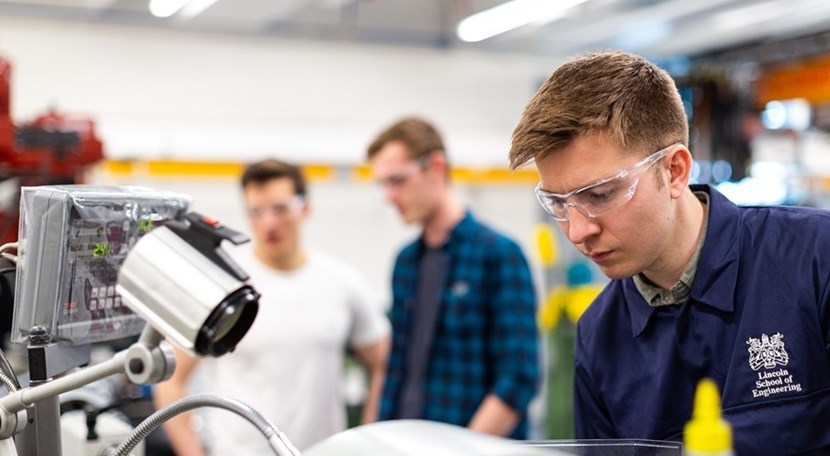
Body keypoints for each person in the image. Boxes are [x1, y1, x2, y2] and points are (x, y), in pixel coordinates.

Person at [508, 50, 830, 455]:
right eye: (557, 203)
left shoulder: (815, 260)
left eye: (600, 194)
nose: (578, 230)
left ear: (674, 170)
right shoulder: (598, 336)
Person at [154, 159, 391, 455]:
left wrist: (365, 441)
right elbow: (170, 380)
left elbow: (385, 364)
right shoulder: (220, 286)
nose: (268, 222)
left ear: (305, 208)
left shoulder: (342, 284)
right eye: (256, 211)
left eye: (280, 209)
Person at [366, 117, 540, 439]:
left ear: (435, 167)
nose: (389, 196)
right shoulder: (405, 262)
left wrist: (461, 450)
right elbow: (396, 371)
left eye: (397, 181)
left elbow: (518, 378)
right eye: (383, 184)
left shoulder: (499, 255)